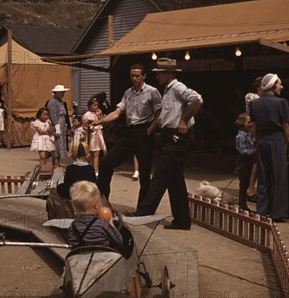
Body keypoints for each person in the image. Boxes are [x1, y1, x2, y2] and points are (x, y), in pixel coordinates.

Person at [129, 58, 203, 230]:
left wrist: (184, 120)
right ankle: (182, 221)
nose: (158, 77)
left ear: (168, 73)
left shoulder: (177, 87)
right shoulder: (169, 90)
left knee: (160, 177)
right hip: (169, 134)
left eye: (160, 73)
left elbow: (197, 100)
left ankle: (143, 213)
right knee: (175, 181)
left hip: (177, 135)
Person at [94, 63, 162, 209]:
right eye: (132, 76)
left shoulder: (152, 91)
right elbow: (117, 112)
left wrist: (150, 129)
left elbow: (159, 113)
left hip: (144, 133)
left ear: (144, 76)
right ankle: (102, 200)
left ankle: (143, 210)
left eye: (137, 76)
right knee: (106, 162)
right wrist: (100, 121)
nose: (134, 78)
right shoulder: (128, 93)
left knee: (144, 174)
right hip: (130, 132)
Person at [249, 73, 289, 222]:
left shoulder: (254, 104)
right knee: (279, 176)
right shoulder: (281, 103)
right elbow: (285, 125)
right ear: (273, 86)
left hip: (262, 139)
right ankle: (277, 212)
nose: (281, 86)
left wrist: (257, 141)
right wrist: (285, 142)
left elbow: (254, 126)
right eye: (279, 84)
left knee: (263, 175)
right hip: (276, 139)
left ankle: (262, 210)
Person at [67, 180, 123, 250]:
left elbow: (72, 244)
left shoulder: (73, 227)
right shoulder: (102, 224)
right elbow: (119, 241)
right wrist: (110, 223)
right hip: (103, 258)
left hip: (80, 258)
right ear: (96, 205)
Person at [235, 113, 256, 212]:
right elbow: (243, 151)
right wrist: (254, 151)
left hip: (249, 160)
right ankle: (242, 204)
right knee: (244, 182)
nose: (251, 124)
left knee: (247, 181)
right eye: (248, 122)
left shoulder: (249, 134)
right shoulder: (241, 136)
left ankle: (244, 202)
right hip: (243, 161)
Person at [47, 85, 70, 168]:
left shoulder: (60, 101)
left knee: (60, 143)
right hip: (57, 123)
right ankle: (55, 163)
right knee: (56, 143)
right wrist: (56, 127)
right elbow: (53, 115)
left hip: (62, 124)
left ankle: (58, 162)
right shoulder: (52, 102)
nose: (63, 93)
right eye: (61, 92)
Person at [82, 98, 106, 174]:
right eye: (94, 105)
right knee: (90, 152)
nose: (96, 107)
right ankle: (90, 167)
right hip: (91, 135)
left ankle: (96, 168)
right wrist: (88, 129)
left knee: (97, 151)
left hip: (98, 134)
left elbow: (102, 122)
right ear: (90, 106)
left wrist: (100, 115)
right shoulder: (87, 115)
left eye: (97, 105)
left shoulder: (98, 113)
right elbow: (84, 126)